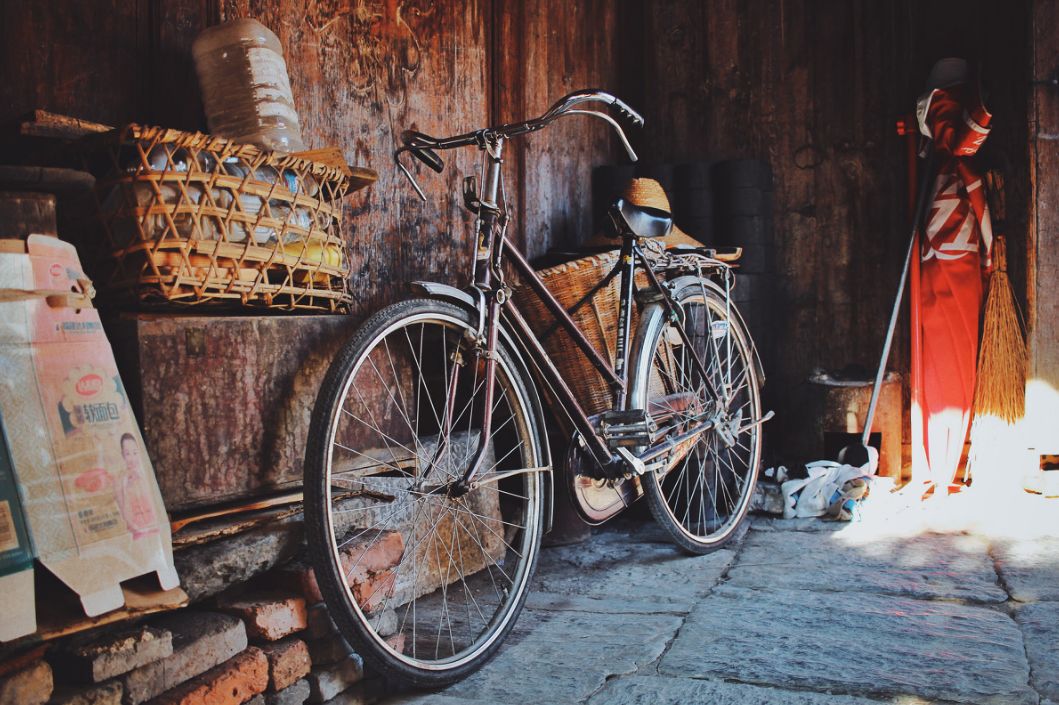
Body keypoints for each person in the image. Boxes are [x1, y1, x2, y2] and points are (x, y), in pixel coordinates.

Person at [116, 433, 159, 538]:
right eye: (128, 454)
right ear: (122, 455)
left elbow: (155, 503)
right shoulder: (121, 480)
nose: (132, 458)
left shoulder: (147, 475)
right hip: (136, 532)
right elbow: (122, 509)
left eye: (135, 453)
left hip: (154, 526)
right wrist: (135, 528)